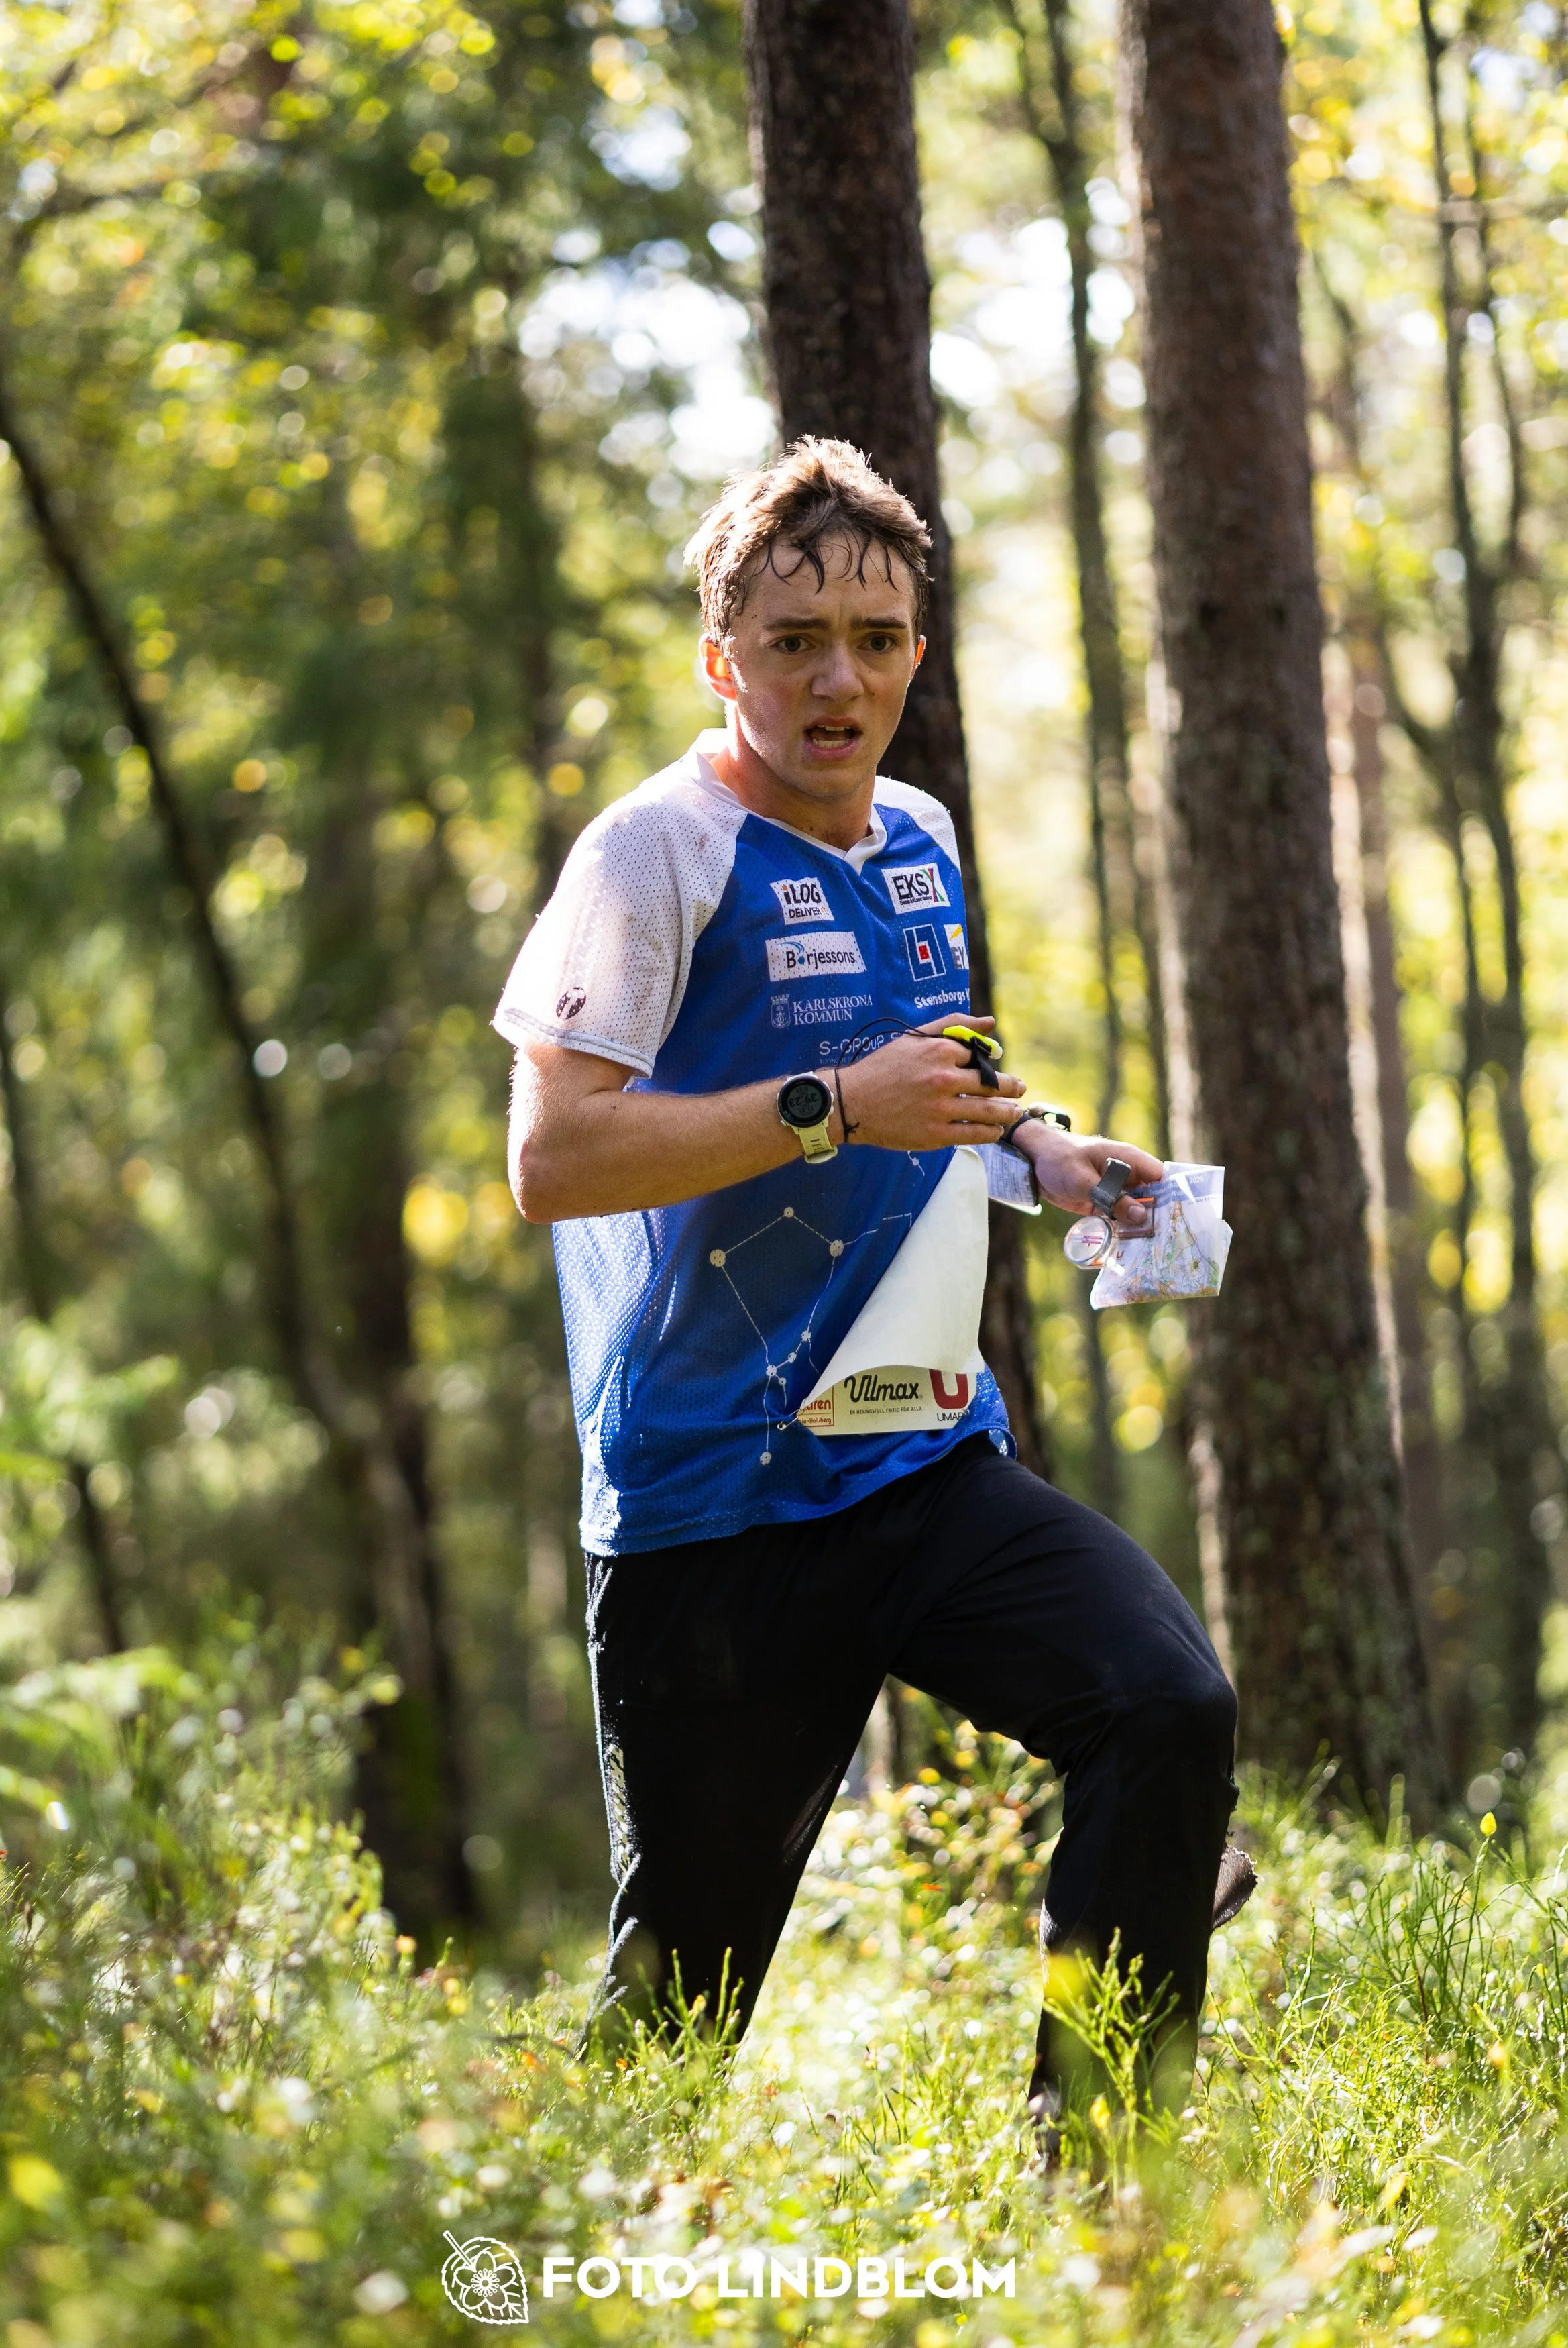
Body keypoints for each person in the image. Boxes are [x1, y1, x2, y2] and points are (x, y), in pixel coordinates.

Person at [495, 436, 1238, 2127]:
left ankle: (1109, 2191)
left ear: (916, 649)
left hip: (912, 1452)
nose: (839, 680)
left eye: (876, 639)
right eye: (795, 642)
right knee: (671, 2029)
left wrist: (1039, 1147)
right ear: (722, 660)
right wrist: (829, 1108)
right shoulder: (649, 855)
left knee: (1164, 1704)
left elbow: (929, 1073)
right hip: (710, 1512)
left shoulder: (919, 832)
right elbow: (552, 1160)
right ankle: (521, 2246)